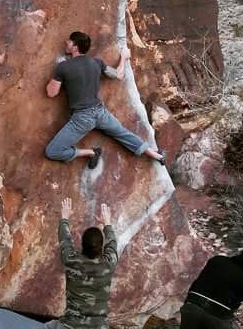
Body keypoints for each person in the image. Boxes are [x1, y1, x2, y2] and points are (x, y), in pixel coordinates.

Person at [45, 31, 164, 168]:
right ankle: (156, 155)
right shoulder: (96, 62)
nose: (66, 43)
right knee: (123, 133)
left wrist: (56, 77)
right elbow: (118, 75)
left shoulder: (64, 67)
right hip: (100, 112)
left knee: (52, 151)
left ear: (75, 47)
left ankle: (91, 153)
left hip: (82, 118)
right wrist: (124, 58)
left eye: (70, 41)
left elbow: (51, 93)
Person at [47, 197, 117, 329]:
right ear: (101, 248)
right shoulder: (108, 264)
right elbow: (112, 244)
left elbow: (65, 240)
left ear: (82, 245)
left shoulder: (71, 260)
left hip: (70, 325)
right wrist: (107, 223)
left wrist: (64, 217)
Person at [180, 248, 243, 329]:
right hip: (218, 318)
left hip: (192, 307)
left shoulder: (217, 260)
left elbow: (197, 283)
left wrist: (188, 304)